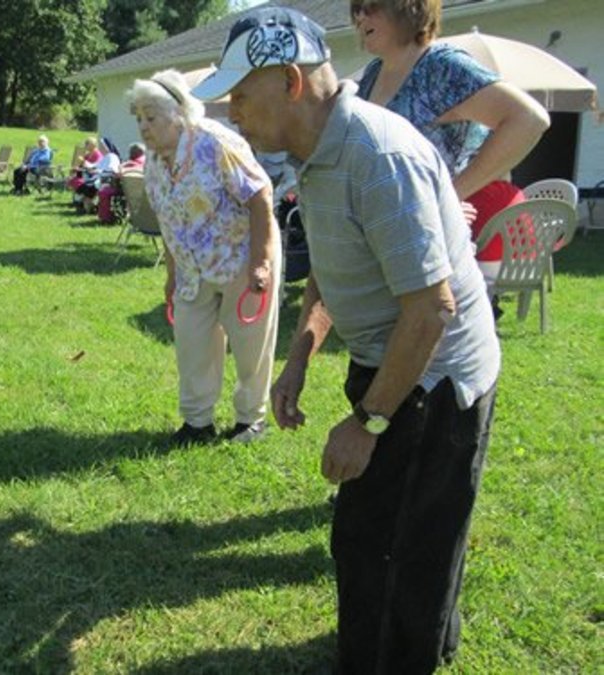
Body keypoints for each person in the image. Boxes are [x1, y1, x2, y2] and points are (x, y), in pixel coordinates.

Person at [193, 6, 500, 672]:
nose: (231, 110)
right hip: (393, 359)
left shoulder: (377, 157)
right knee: (404, 530)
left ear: (292, 84)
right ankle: (417, 643)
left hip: (437, 376)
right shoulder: (314, 153)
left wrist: (367, 420)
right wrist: (299, 356)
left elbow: (431, 310)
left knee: (385, 538)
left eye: (242, 94)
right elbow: (333, 270)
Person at [350, 0, 549, 295]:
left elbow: (529, 120)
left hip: (436, 247)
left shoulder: (440, 67)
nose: (359, 17)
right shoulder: (371, 75)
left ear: (409, 9)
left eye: (371, 6)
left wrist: (449, 195)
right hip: (387, 241)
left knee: (435, 333)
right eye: (356, 9)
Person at [128, 69, 281, 446]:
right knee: (192, 345)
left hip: (240, 260)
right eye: (139, 119)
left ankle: (250, 420)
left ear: (177, 114)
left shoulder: (216, 144)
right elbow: (168, 221)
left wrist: (260, 262)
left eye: (151, 118)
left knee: (250, 347)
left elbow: (260, 196)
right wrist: (171, 273)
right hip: (192, 270)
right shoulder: (152, 161)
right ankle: (197, 422)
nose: (143, 127)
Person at [97, 142, 146, 224]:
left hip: (124, 190)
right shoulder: (147, 163)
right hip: (142, 191)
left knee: (104, 192)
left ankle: (106, 218)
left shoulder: (127, 164)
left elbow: (117, 174)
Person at [76, 137, 120, 214]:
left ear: (106, 147)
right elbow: (94, 165)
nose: (101, 148)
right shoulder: (105, 157)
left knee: (90, 186)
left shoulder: (112, 156)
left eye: (102, 146)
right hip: (99, 177)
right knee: (84, 186)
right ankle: (86, 207)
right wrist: (84, 162)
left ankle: (88, 208)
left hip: (106, 179)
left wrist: (97, 171)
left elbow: (111, 170)